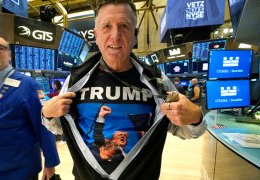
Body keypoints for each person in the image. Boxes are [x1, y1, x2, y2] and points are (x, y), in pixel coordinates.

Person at [42, 0, 206, 179]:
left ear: (135, 35)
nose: (115, 36)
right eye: (106, 26)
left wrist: (196, 117)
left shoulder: (156, 81)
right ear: (96, 35)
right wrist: (46, 114)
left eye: (124, 26)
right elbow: (60, 127)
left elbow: (184, 129)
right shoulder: (76, 80)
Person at [0, 32, 60, 180]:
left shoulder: (27, 85)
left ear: (9, 54)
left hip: (18, 171)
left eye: (0, 47)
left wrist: (50, 163)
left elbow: (44, 125)